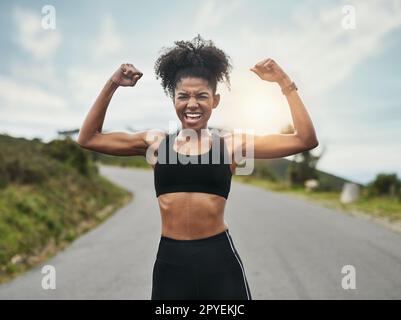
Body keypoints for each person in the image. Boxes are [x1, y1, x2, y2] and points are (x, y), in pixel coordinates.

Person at [77, 35, 319, 300]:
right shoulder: (156, 143)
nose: (192, 104)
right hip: (170, 265)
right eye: (183, 96)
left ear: (214, 101)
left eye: (201, 96)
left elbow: (304, 139)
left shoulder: (231, 145)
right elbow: (89, 138)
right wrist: (113, 84)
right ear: (173, 100)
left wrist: (284, 82)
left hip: (219, 264)